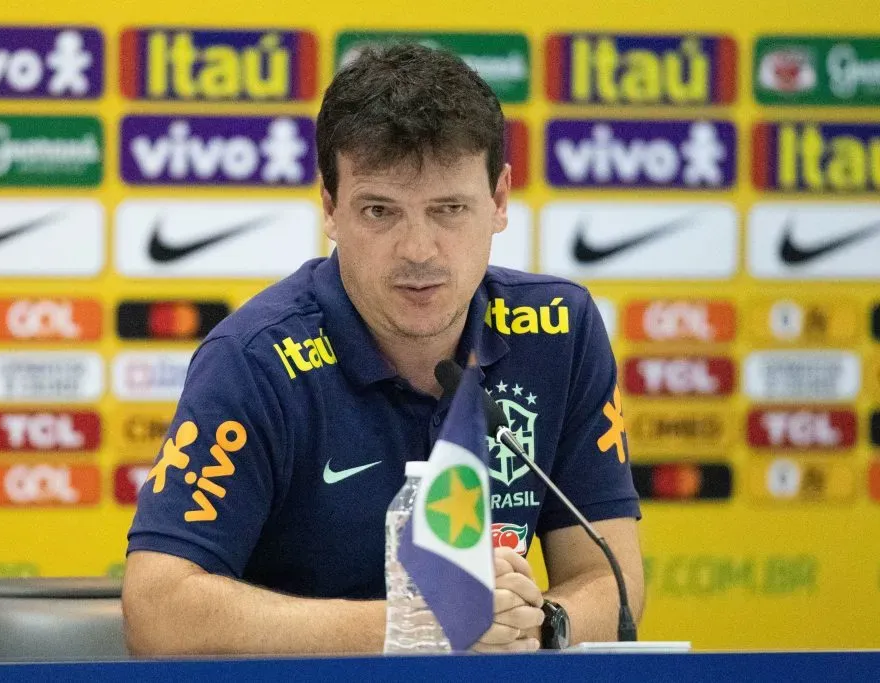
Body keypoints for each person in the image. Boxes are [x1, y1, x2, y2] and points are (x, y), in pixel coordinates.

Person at [122, 42, 644, 656]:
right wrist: (416, 629)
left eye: (449, 209)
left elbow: (610, 577)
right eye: (379, 211)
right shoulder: (254, 361)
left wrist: (538, 624)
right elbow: (156, 612)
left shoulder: (559, 331)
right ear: (329, 208)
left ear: (500, 201)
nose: (418, 250)